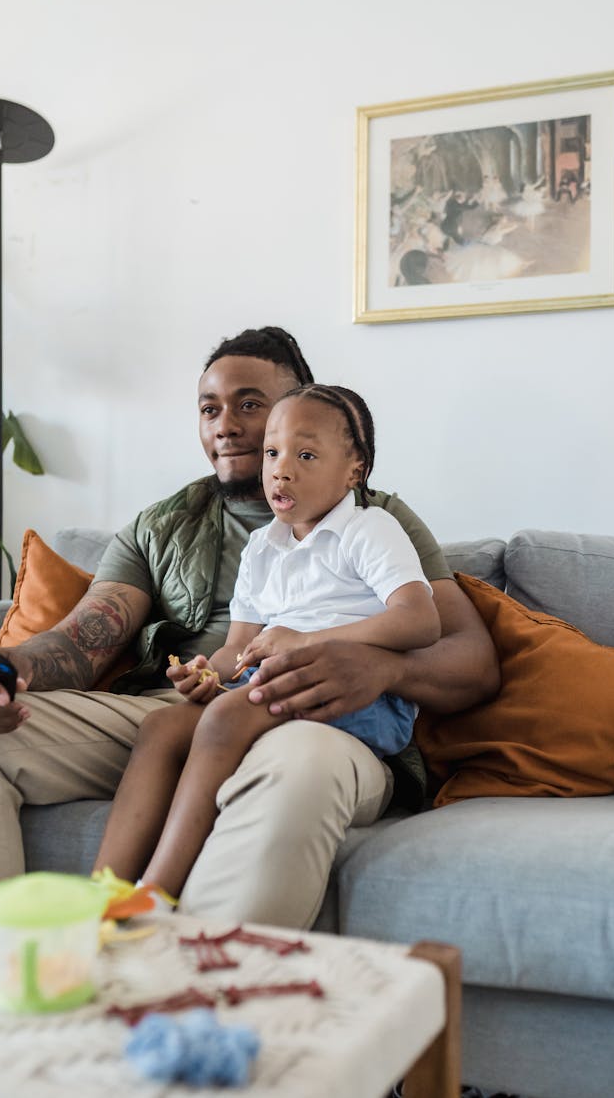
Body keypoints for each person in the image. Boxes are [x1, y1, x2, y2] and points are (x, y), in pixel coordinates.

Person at [0, 326, 500, 928]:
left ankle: (190, 979)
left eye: (250, 405)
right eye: (210, 409)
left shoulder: (374, 519)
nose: (225, 424)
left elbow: (469, 658)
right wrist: (14, 662)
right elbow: (85, 638)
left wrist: (384, 666)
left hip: (329, 719)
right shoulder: (166, 527)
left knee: (297, 763)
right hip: (210, 702)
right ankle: (0, 958)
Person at [93, 383, 441, 900]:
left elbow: (420, 620)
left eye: (305, 455)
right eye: (273, 453)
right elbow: (239, 649)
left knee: (227, 717)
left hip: (361, 697)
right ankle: (103, 892)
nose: (282, 469)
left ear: (354, 470)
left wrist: (306, 640)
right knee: (163, 725)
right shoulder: (263, 546)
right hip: (270, 683)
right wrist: (208, 673)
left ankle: (156, 892)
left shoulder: (369, 528)